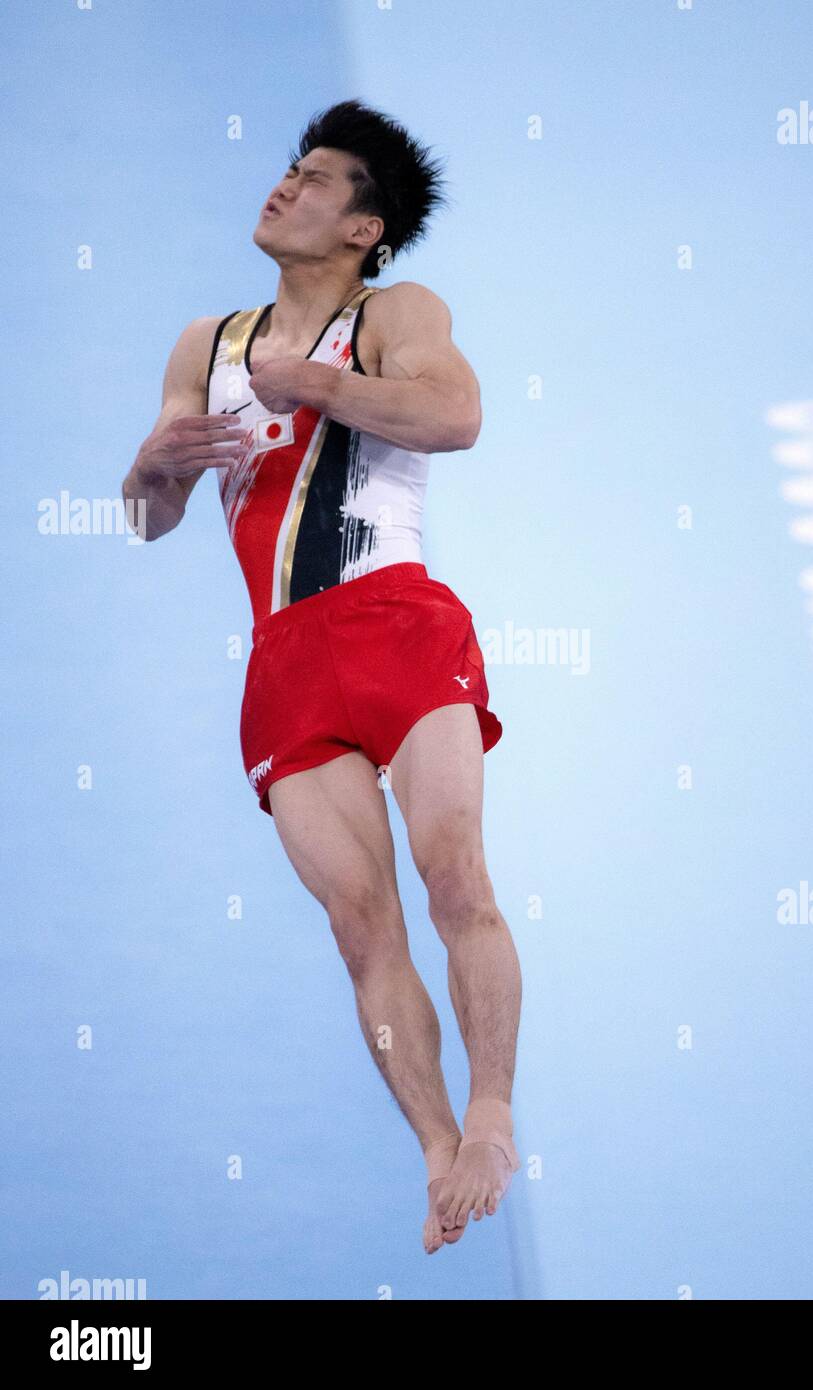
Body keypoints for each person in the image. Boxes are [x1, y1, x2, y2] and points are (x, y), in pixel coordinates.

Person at [120, 100, 522, 1255]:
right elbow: (150, 521)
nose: (282, 188)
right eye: (286, 170)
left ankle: (493, 1114)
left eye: (315, 180)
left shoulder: (393, 311)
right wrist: (151, 467)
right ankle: (440, 1147)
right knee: (362, 928)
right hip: (284, 661)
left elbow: (457, 413)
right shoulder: (206, 345)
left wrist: (322, 387)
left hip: (396, 620)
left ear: (363, 228)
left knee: (454, 876)